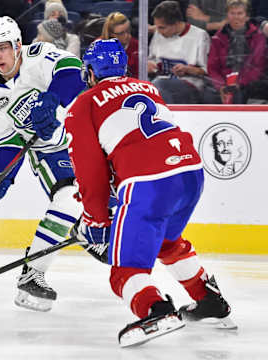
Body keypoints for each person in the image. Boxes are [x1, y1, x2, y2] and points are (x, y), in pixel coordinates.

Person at [65, 39, 236, 347]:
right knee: (167, 241)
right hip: (190, 173)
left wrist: (95, 219)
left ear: (90, 71)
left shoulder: (84, 104)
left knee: (125, 270)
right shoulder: (148, 88)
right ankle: (209, 299)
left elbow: (90, 171)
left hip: (149, 181)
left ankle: (156, 310)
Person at [0, 16, 86, 312]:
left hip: (85, 140)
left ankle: (93, 236)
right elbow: (8, 141)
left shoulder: (37, 56)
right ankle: (33, 274)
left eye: (3, 47)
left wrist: (52, 99)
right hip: (49, 151)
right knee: (69, 199)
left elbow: (73, 69)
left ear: (17, 46)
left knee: (105, 214)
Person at [148, 0, 210, 104]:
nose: (158, 31)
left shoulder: (200, 36)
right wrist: (150, 65)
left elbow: (205, 71)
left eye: (162, 27)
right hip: (160, 81)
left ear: (176, 23)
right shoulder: (158, 34)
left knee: (158, 87)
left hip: (190, 84)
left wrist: (188, 69)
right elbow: (152, 60)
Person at [205, 0, 266, 104]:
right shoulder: (218, 37)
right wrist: (221, 86)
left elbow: (258, 66)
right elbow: (212, 67)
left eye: (239, 13)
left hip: (248, 82)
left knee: (239, 94)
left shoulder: (258, 36)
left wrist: (240, 83)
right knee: (207, 94)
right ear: (227, 16)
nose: (235, 17)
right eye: (232, 13)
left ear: (247, 17)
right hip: (223, 82)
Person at [101, 11, 139, 78]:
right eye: (121, 33)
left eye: (128, 30)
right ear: (111, 34)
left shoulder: (137, 44)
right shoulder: (99, 46)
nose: (127, 36)